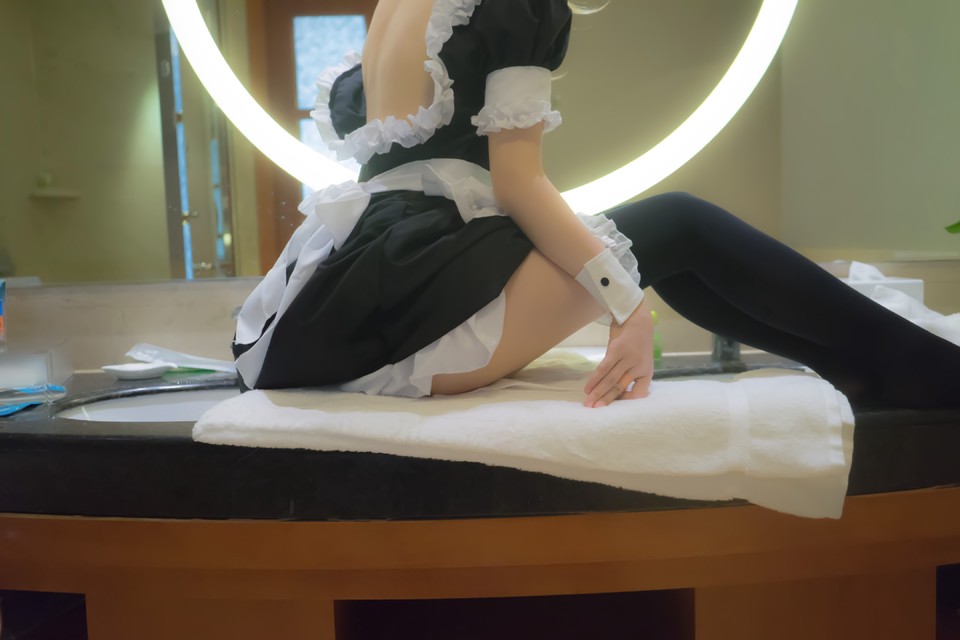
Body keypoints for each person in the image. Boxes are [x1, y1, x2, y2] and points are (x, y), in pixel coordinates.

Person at [233, 0, 960, 410]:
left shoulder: (395, 6)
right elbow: (518, 183)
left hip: (349, 288)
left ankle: (860, 370)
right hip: (422, 290)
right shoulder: (512, 4)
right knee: (677, 224)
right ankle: (924, 369)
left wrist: (622, 287)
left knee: (665, 246)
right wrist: (627, 306)